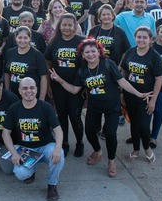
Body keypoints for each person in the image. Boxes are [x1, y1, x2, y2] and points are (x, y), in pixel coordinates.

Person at [52, 39, 151, 177]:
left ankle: (111, 161)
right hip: (94, 107)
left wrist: (139, 94)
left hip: (112, 107)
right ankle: (98, 151)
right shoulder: (82, 71)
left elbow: (122, 81)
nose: (91, 54)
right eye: (87, 52)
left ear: (99, 52)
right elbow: (75, 90)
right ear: (82, 54)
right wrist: (59, 80)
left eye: (93, 51)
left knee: (110, 134)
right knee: (90, 132)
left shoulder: (108, 64)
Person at [2, 77, 65, 201]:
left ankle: (52, 185)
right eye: (25, 88)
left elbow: (58, 130)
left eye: (32, 88)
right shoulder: (14, 108)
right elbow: (5, 133)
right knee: (21, 174)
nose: (28, 91)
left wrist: (58, 148)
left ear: (36, 90)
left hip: (45, 147)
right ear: (19, 91)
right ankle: (31, 170)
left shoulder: (46, 107)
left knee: (60, 155)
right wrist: (14, 153)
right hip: (25, 149)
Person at [119, 27, 162, 163]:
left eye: (145, 37)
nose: (141, 40)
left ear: (150, 40)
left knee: (144, 125)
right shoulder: (130, 52)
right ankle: (136, 149)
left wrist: (153, 100)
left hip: (147, 96)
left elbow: (159, 79)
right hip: (130, 94)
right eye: (139, 37)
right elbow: (123, 72)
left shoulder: (154, 56)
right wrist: (121, 92)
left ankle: (147, 148)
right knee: (134, 123)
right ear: (135, 37)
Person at [44, 13, 85, 157]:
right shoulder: (54, 42)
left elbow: (87, 64)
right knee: (61, 115)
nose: (67, 27)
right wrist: (48, 84)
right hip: (57, 86)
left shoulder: (81, 41)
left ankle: (80, 142)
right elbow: (48, 63)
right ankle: (64, 142)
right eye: (64, 25)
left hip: (76, 86)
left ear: (75, 26)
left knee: (75, 116)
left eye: (70, 25)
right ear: (59, 26)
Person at [4, 26, 49, 98]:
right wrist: (7, 91)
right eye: (20, 37)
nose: (22, 40)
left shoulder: (37, 55)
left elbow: (44, 77)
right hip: (14, 95)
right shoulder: (10, 52)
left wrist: (41, 98)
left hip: (31, 96)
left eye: (25, 38)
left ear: (30, 39)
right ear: (15, 38)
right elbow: (6, 73)